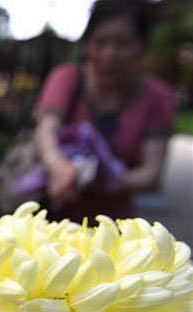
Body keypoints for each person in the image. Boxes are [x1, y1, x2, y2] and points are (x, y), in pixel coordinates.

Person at [33, 0, 177, 221]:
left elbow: (151, 175)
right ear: (87, 45)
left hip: (114, 227)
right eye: (100, 43)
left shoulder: (156, 98)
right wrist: (57, 164)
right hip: (50, 221)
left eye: (122, 44)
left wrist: (106, 180)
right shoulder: (67, 79)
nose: (110, 54)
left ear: (141, 47)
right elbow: (46, 130)